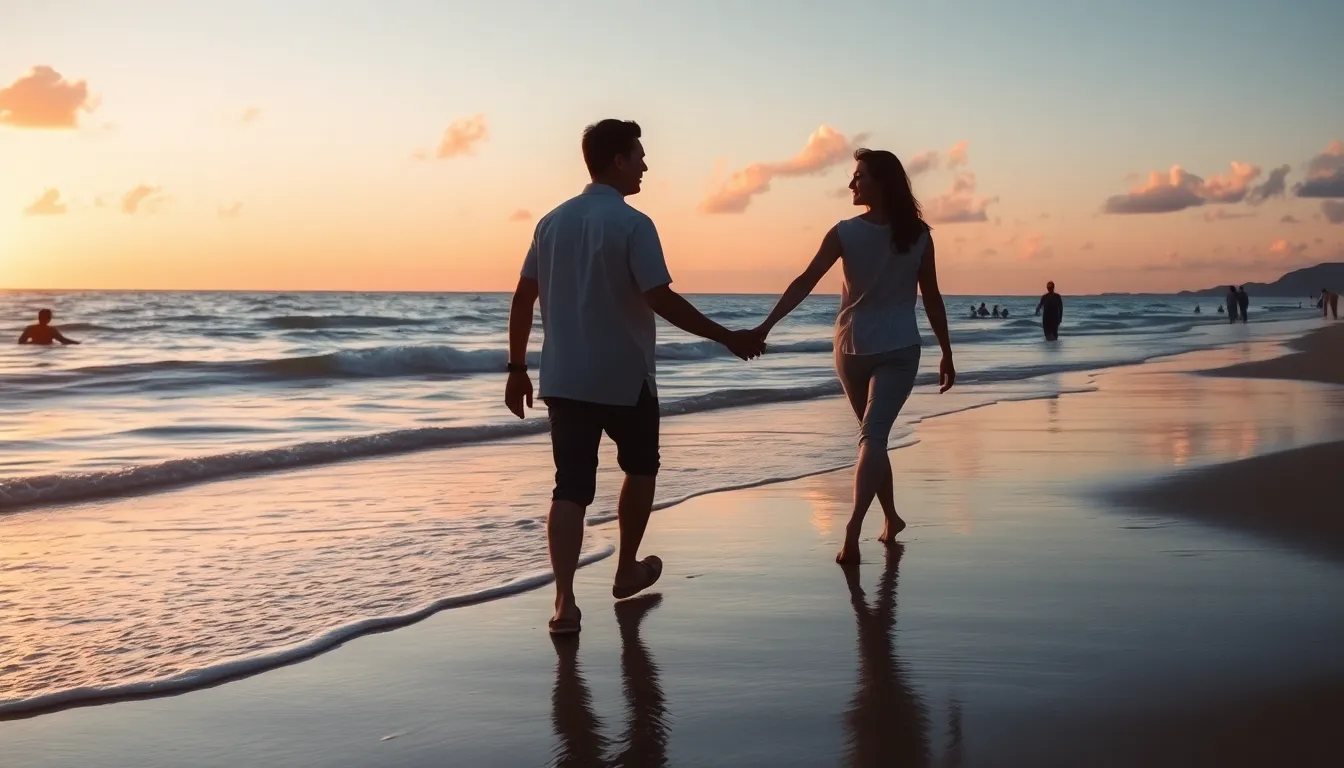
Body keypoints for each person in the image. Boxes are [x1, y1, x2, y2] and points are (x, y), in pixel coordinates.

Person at [505, 120, 765, 635]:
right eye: (639, 156)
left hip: (565, 378)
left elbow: (522, 297)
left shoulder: (550, 223)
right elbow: (659, 297)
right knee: (641, 468)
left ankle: (564, 603)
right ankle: (625, 567)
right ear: (618, 160)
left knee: (570, 489)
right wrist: (726, 336)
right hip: (627, 377)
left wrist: (516, 369)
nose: (646, 165)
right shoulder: (633, 224)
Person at [752, 148, 955, 564]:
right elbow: (806, 282)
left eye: (859, 176)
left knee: (871, 436)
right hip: (871, 349)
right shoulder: (897, 234)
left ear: (881, 182)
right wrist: (765, 326)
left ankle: (852, 529)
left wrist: (948, 353)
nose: (851, 184)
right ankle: (892, 517)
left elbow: (931, 296)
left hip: (866, 348)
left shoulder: (885, 234)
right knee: (873, 437)